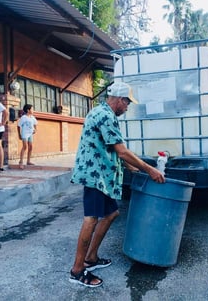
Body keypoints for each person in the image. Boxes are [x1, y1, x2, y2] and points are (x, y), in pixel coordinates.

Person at [69, 82, 166, 288]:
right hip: (95, 176)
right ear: (120, 100)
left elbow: (110, 147)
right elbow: (121, 150)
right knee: (91, 219)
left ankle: (91, 257)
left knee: (111, 214)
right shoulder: (106, 116)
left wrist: (131, 168)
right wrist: (150, 169)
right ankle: (77, 270)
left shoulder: (103, 113)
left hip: (102, 176)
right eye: (128, 103)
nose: (128, 107)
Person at [17, 104, 38, 169]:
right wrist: (19, 135)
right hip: (24, 134)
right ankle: (21, 162)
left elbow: (35, 124)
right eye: (32, 109)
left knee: (30, 147)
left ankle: (28, 161)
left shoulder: (32, 117)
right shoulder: (23, 118)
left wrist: (35, 130)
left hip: (30, 134)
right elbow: (18, 126)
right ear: (28, 110)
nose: (33, 110)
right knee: (25, 146)